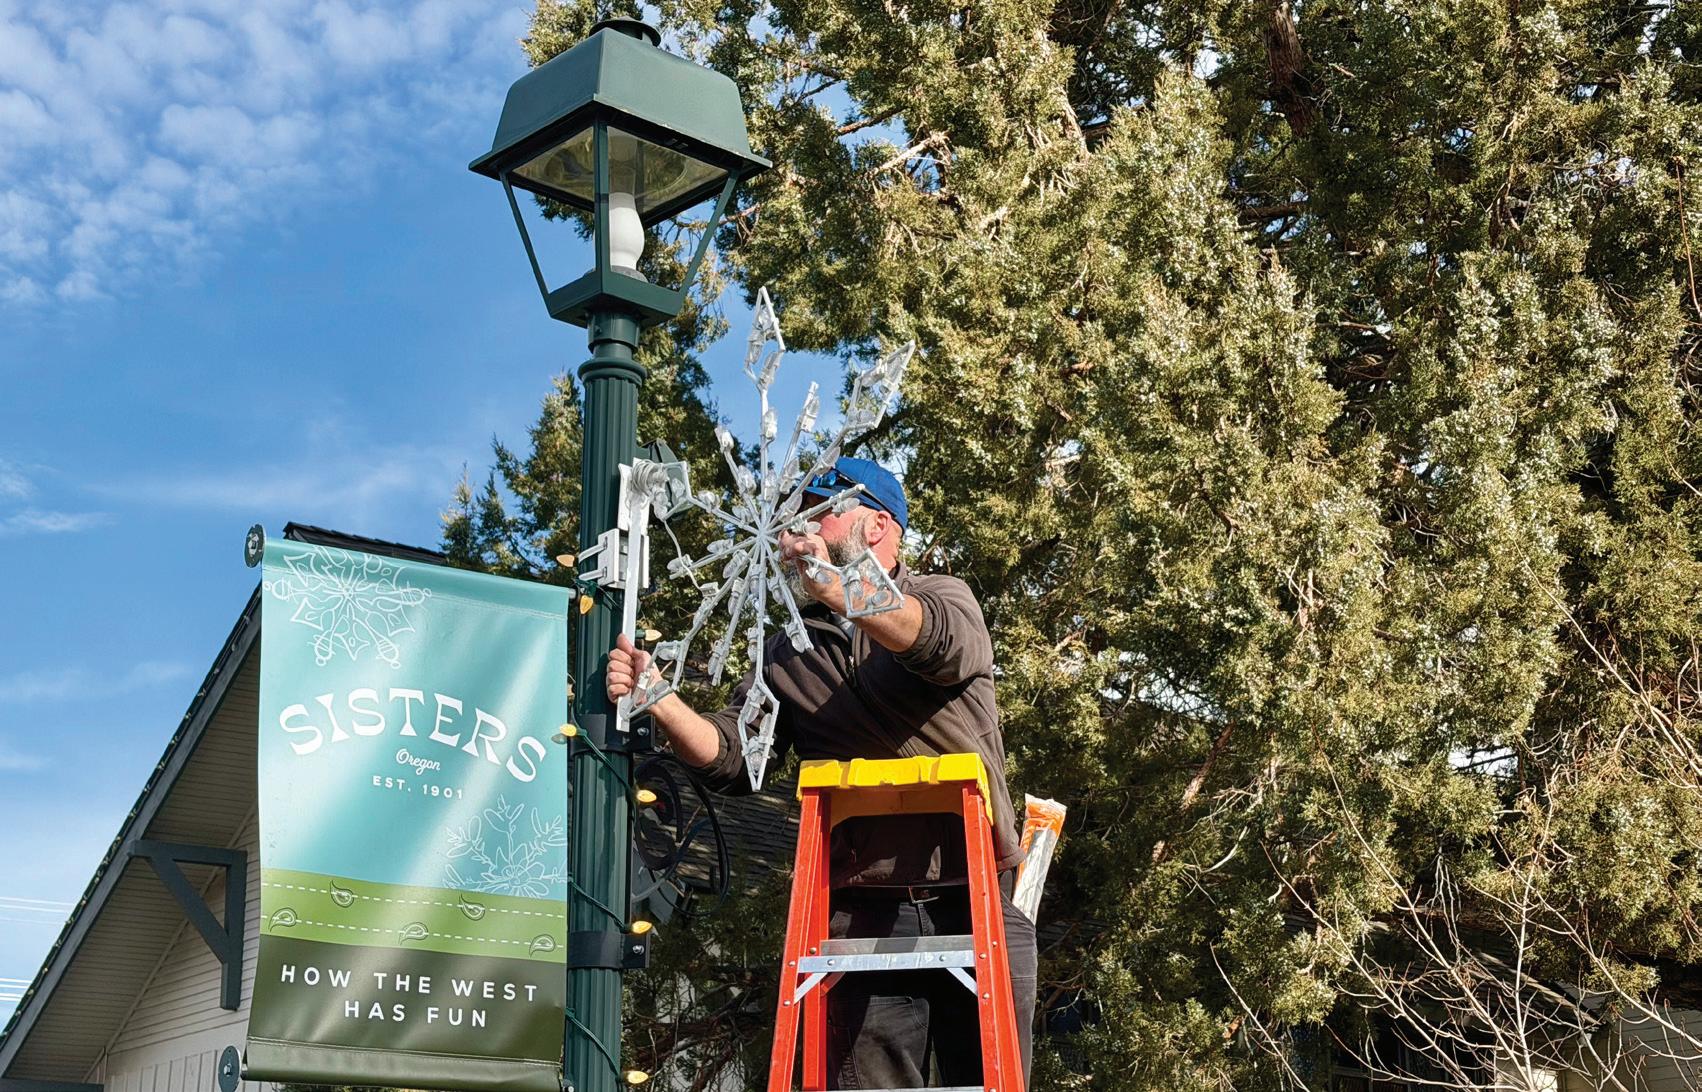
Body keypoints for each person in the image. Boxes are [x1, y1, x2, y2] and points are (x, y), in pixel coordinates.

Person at [607, 456, 1036, 1090]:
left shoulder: (942, 596)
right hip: (859, 915)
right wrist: (661, 700)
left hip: (972, 897)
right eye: (796, 519)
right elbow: (735, 757)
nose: (798, 531)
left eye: (821, 513)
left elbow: (933, 644)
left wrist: (841, 588)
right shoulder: (789, 651)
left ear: (878, 526)